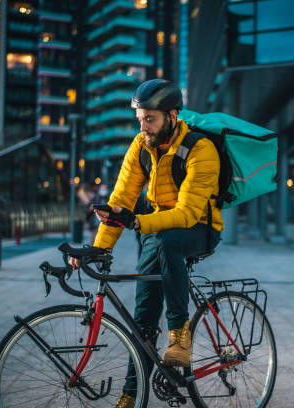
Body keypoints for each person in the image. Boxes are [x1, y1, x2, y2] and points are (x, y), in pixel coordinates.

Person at [68, 79, 223, 408]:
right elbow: (121, 198)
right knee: (142, 321)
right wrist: (99, 248)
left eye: (149, 118)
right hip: (158, 229)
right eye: (140, 118)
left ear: (172, 115)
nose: (144, 126)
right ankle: (130, 397)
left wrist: (139, 221)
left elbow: (187, 212)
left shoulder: (200, 149)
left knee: (167, 240)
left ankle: (180, 336)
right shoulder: (141, 147)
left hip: (199, 227)